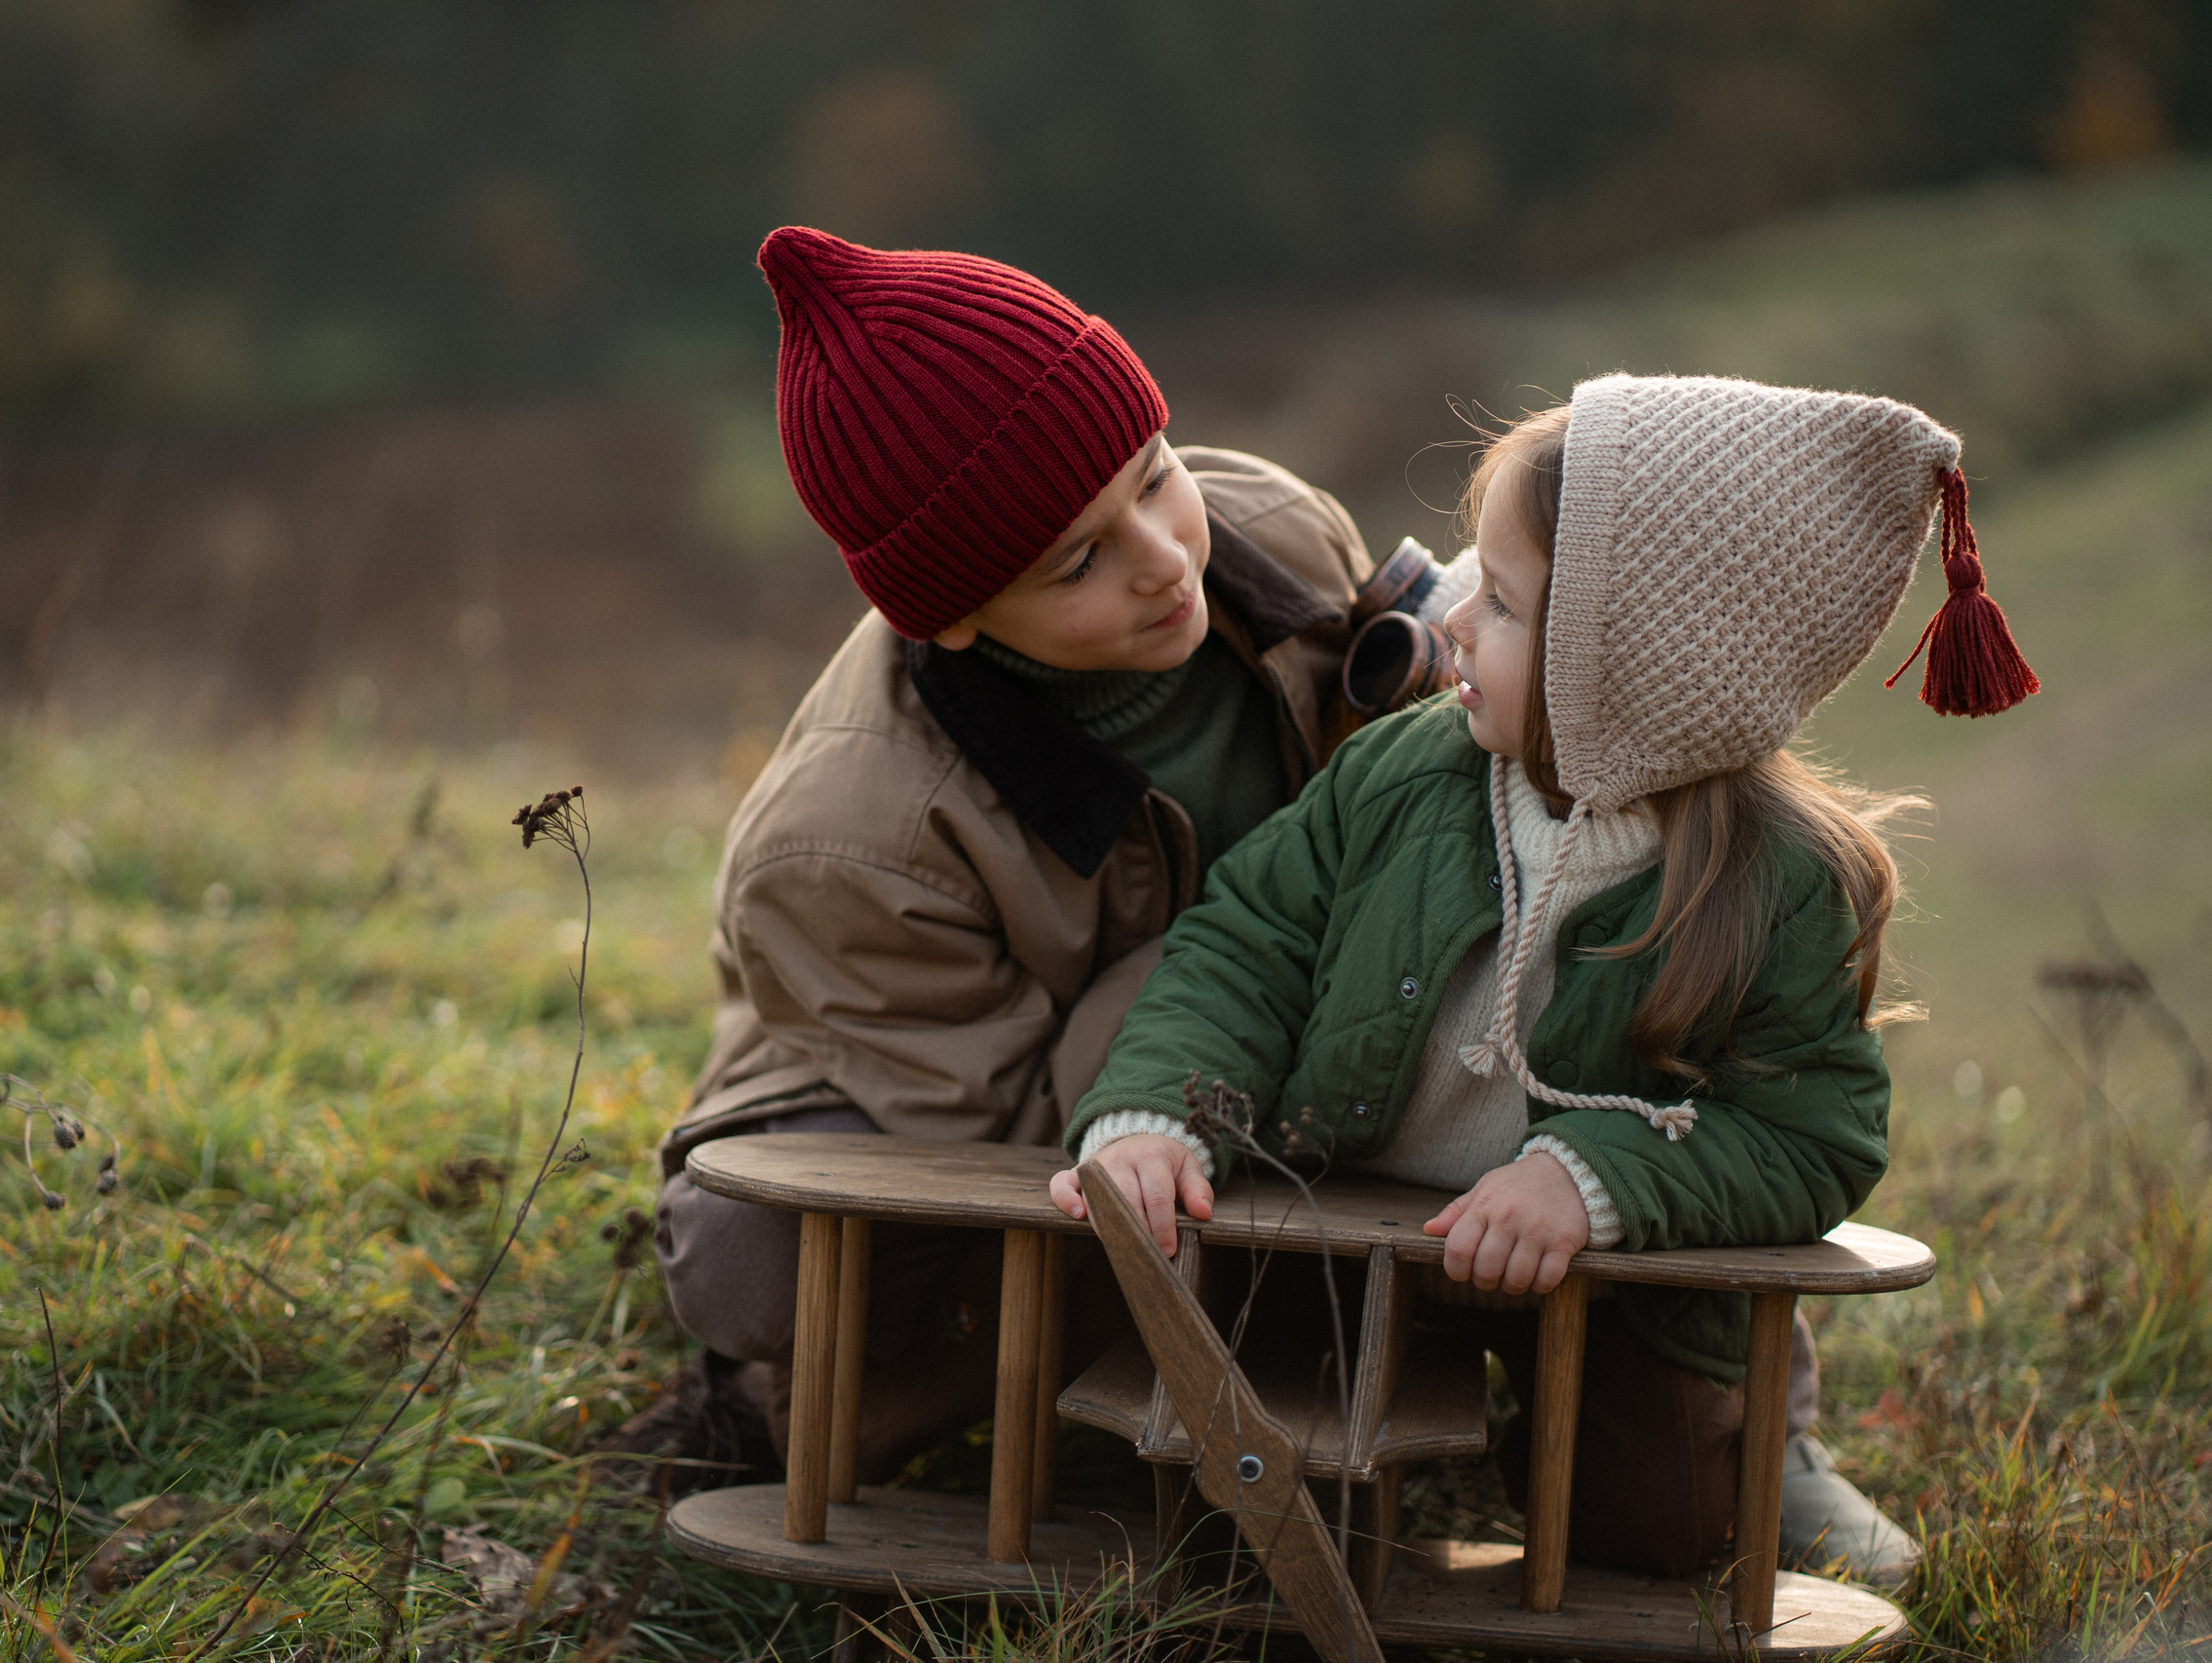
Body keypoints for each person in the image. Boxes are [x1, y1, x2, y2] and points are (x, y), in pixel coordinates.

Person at [1051, 373, 2037, 1584]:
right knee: (1262, 1517)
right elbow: (1245, 941)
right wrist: (1159, 1110)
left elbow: (1811, 1134)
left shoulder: (1770, 880)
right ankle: (1397, 1470)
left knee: (1655, 1536)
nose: (1453, 618)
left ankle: (1759, 1450)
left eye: (1504, 603)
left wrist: (1594, 1180)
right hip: (1345, 1228)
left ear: (1638, 671)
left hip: (1618, 1279)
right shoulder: (1406, 773)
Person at [605, 226, 1475, 1490]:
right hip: (958, 1078)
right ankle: (807, 1405)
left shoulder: (1277, 528)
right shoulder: (846, 838)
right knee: (760, 1259)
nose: (1168, 559)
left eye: (1155, 473)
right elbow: (1014, 1130)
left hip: (1277, 1006)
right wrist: (1261, 962)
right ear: (954, 617)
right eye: (1080, 559)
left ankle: (1712, 1415)